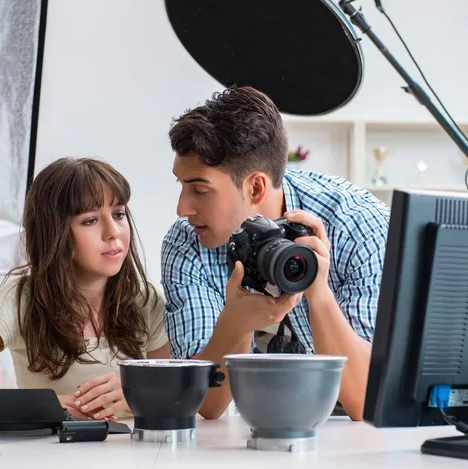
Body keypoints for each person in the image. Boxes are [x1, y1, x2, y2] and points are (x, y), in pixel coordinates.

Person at [162, 86, 390, 421]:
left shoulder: (357, 225)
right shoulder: (187, 244)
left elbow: (367, 401)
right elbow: (206, 405)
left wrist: (320, 295)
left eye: (199, 189)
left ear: (255, 187)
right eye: (181, 186)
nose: (183, 208)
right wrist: (235, 322)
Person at [0, 157, 170, 420]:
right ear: (55, 233)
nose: (113, 232)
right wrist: (40, 405)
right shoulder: (20, 300)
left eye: (118, 214)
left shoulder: (145, 300)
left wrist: (136, 393)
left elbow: (181, 396)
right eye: (90, 220)